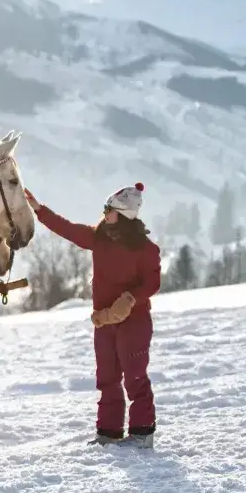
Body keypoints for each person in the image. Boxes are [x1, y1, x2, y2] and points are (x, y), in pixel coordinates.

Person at [24, 183, 161, 448]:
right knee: (107, 377)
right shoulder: (99, 238)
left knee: (134, 377)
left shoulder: (146, 248)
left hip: (134, 322)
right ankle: (108, 432)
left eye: (108, 209)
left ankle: (142, 433)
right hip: (104, 321)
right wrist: (39, 210)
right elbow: (68, 229)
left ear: (121, 214)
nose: (104, 213)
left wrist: (131, 298)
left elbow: (152, 283)